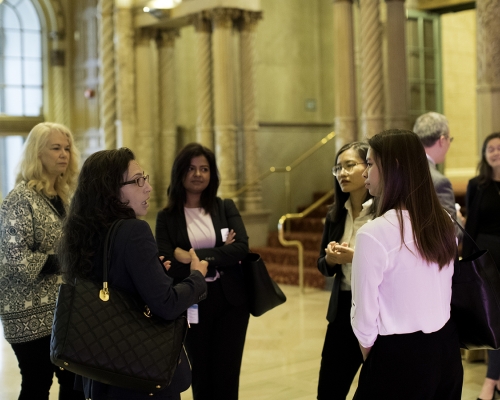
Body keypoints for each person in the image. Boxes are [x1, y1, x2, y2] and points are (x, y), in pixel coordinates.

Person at [58, 147, 208, 400]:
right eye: (138, 181)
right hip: (138, 374)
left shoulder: (84, 232)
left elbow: (114, 285)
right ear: (111, 190)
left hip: (101, 371)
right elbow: (167, 304)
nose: (148, 188)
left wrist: (152, 271)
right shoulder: (134, 231)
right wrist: (197, 277)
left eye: (145, 179)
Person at [351, 129, 463, 400]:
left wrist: (375, 354)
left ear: (394, 167)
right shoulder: (444, 222)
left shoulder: (373, 233)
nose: (365, 173)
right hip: (446, 350)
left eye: (370, 163)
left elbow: (364, 316)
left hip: (399, 354)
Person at [156, 143, 250, 400]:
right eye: (191, 168)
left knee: (228, 372)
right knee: (200, 370)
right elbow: (166, 262)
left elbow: (242, 248)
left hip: (231, 300)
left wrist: (191, 255)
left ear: (212, 174)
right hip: (192, 300)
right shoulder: (167, 217)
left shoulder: (224, 207)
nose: (198, 174)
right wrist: (221, 251)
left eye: (204, 169)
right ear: (180, 173)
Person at [0, 122, 83, 399]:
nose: (64, 154)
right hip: (27, 312)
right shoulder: (19, 199)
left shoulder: (65, 196)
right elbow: (13, 260)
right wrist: (64, 260)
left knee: (75, 382)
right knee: (37, 383)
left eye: (67, 148)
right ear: (37, 153)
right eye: (56, 148)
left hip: (62, 309)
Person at [316, 142, 375, 400]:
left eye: (350, 165)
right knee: (330, 387)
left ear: (370, 168)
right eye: (338, 167)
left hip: (375, 309)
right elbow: (322, 266)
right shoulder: (335, 215)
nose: (342, 173)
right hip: (342, 308)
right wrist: (330, 259)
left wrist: (356, 257)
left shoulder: (383, 213)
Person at [466, 133, 500, 400]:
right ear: (484, 153)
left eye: (499, 148)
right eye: (490, 148)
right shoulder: (476, 185)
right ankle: (492, 381)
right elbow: (471, 227)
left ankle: (494, 380)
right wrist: (466, 263)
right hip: (487, 260)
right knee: (494, 320)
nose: (495, 152)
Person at [413, 112, 463, 223]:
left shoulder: (404, 169)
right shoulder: (440, 182)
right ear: (442, 140)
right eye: (449, 139)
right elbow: (451, 232)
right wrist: (458, 217)